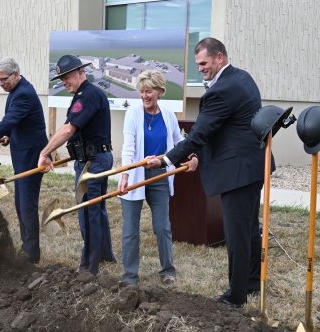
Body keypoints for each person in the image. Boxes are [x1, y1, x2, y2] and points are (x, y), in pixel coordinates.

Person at [149, 38, 271, 308]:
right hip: (252, 165)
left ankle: (236, 296)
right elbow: (226, 128)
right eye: (197, 65)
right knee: (249, 230)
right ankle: (250, 284)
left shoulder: (221, 91)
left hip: (237, 171)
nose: (200, 69)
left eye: (204, 63)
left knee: (237, 233)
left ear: (219, 58)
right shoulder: (243, 78)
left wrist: (167, 159)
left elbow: (200, 133)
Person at [38, 54, 116, 275]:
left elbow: (68, 129)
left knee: (88, 213)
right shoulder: (86, 94)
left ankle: (88, 270)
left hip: (91, 163)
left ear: (81, 73)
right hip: (93, 159)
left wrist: (45, 152)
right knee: (97, 209)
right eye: (61, 78)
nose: (63, 82)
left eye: (67, 77)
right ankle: (104, 256)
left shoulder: (87, 96)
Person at [118, 70, 197, 286]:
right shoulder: (133, 113)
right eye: (142, 92)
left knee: (162, 226)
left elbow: (180, 142)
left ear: (160, 92)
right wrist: (125, 175)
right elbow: (128, 147)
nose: (144, 96)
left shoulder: (169, 115)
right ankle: (130, 276)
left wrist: (191, 156)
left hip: (160, 175)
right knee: (131, 229)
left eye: (149, 91)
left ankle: (168, 270)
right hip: (135, 175)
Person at [0, 57, 48, 264]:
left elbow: (10, 120)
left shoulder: (23, 94)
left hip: (31, 155)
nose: (1, 83)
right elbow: (19, 122)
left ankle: (31, 254)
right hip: (23, 150)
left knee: (27, 203)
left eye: (3, 79)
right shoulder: (17, 90)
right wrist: (10, 136)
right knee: (20, 202)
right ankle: (27, 247)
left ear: (15, 74)